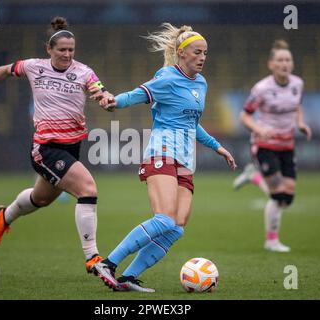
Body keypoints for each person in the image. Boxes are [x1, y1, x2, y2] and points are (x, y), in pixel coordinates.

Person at [92, 23, 237, 292]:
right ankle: (108, 263)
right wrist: (114, 102)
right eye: (197, 52)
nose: (202, 57)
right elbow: (138, 94)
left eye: (205, 52)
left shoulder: (201, 83)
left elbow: (192, 124)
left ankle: (127, 278)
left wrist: (218, 147)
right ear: (182, 53)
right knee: (164, 219)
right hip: (162, 153)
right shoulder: (168, 77)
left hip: (184, 161)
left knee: (176, 227)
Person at [0, 16, 113, 273]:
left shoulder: (83, 71)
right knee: (88, 189)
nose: (67, 54)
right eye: (62, 50)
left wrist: (105, 97)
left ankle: (5, 216)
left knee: (40, 199)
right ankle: (93, 257)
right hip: (46, 148)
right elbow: (4, 70)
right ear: (49, 50)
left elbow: (98, 89)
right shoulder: (34, 67)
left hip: (71, 147)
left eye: (71, 50)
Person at [239, 40, 312, 252]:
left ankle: (253, 176)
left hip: (287, 145)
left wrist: (300, 123)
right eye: (280, 60)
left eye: (288, 59)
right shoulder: (261, 89)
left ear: (292, 63)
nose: (284, 63)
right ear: (271, 64)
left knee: (287, 197)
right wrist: (258, 129)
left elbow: (297, 107)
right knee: (278, 194)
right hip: (265, 145)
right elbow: (244, 115)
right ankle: (271, 240)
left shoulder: (298, 84)